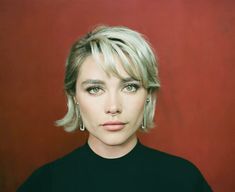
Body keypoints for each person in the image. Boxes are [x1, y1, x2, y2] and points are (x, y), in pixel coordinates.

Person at [18, 25, 212, 191]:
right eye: (95, 89)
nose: (113, 107)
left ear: (148, 95)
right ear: (74, 97)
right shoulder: (44, 184)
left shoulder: (184, 180)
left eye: (129, 87)